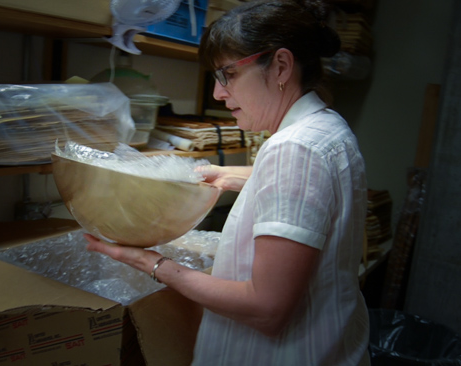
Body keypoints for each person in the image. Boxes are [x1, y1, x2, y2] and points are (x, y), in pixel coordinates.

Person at [84, 0, 370, 364]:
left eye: (228, 75)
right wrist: (231, 176)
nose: (219, 93)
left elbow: (266, 309)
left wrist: (152, 264)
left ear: (281, 65)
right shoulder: (325, 129)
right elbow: (315, 186)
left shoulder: (294, 148)